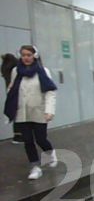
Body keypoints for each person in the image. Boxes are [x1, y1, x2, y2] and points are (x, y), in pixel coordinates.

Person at [4, 45, 57, 180]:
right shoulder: (16, 71)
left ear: (35, 56)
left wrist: (49, 110)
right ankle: (35, 167)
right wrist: (11, 94)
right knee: (28, 141)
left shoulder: (43, 71)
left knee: (41, 139)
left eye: (29, 55)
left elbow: (50, 92)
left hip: (39, 111)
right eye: (23, 55)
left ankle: (50, 153)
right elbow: (12, 87)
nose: (26, 57)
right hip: (22, 112)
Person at [1, 53, 21, 143]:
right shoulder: (15, 68)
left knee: (15, 113)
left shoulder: (4, 67)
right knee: (20, 113)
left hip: (10, 91)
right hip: (17, 91)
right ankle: (21, 135)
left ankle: (17, 136)